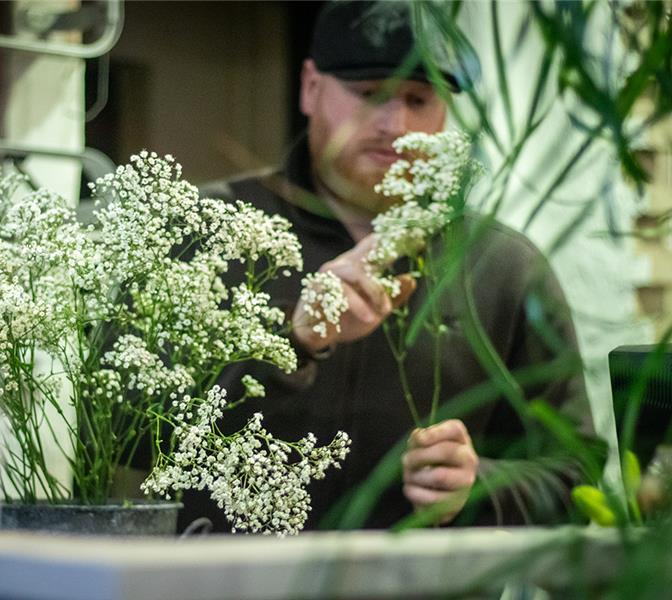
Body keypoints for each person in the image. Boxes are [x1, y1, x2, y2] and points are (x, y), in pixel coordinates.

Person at [179, 0, 593, 531]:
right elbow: (126, 433)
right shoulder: (206, 228)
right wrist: (293, 340)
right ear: (310, 87)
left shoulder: (504, 267)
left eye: (418, 99)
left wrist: (478, 484)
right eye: (369, 93)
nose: (394, 124)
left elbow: (578, 475)